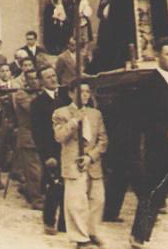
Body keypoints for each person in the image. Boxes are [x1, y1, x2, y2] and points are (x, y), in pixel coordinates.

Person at [129, 37, 168, 249]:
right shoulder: (148, 84)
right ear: (158, 56)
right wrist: (165, 131)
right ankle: (138, 237)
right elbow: (140, 119)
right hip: (157, 147)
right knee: (151, 191)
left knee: (161, 192)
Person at [53, 80, 108, 248]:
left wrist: (91, 157)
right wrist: (73, 122)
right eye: (80, 91)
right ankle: (80, 238)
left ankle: (91, 232)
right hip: (73, 164)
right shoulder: (61, 113)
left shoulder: (95, 114)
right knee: (76, 203)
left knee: (97, 200)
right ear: (71, 93)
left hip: (92, 164)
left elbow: (103, 140)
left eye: (87, 91)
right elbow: (59, 136)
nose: (84, 95)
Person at [31, 66, 68, 234]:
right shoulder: (37, 103)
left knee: (68, 185)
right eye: (48, 77)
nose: (53, 79)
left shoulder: (65, 98)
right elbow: (38, 132)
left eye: (54, 75)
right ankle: (49, 221)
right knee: (54, 186)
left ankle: (64, 223)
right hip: (51, 151)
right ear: (41, 82)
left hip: (67, 148)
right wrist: (47, 155)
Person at [13, 69, 45, 210]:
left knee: (41, 170)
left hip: (42, 136)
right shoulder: (21, 94)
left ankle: (28, 189)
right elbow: (34, 109)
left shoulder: (40, 94)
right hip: (29, 136)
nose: (34, 81)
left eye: (36, 78)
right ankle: (36, 200)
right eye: (30, 79)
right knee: (34, 170)